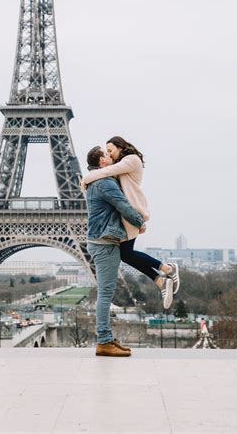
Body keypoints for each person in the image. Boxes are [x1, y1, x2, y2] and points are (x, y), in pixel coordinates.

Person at [83, 136, 180, 309]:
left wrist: (86, 179)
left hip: (132, 212)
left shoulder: (131, 160)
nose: (110, 153)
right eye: (107, 151)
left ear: (120, 147)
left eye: (111, 150)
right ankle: (163, 277)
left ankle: (166, 272)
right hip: (125, 216)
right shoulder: (118, 166)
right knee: (126, 254)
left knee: (126, 254)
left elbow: (104, 172)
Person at [84, 145, 145, 356]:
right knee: (105, 293)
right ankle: (104, 341)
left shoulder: (93, 180)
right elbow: (123, 205)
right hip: (104, 243)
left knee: (105, 292)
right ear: (102, 162)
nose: (110, 156)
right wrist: (139, 222)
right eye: (106, 154)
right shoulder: (105, 182)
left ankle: (106, 339)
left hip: (100, 240)